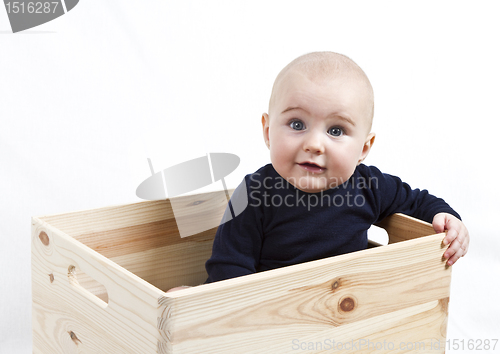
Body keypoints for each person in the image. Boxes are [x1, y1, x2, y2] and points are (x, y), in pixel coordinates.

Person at [168, 51, 469, 291]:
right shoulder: (255, 193)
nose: (314, 144)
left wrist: (447, 218)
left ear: (364, 148)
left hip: (341, 309)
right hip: (264, 310)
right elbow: (229, 265)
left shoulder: (369, 186)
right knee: (180, 301)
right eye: (297, 124)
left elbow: (416, 202)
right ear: (268, 130)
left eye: (336, 130)